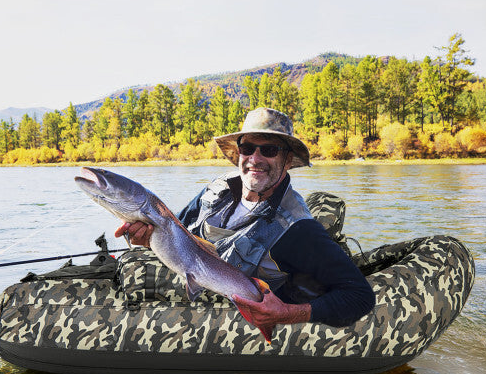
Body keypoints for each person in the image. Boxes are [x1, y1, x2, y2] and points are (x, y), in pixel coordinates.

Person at [115, 107, 375, 331]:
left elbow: (360, 296)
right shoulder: (216, 189)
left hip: (224, 317)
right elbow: (176, 234)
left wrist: (286, 313)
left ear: (287, 160)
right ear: (238, 153)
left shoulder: (299, 228)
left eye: (269, 150)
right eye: (247, 148)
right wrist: (147, 238)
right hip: (186, 286)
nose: (255, 159)